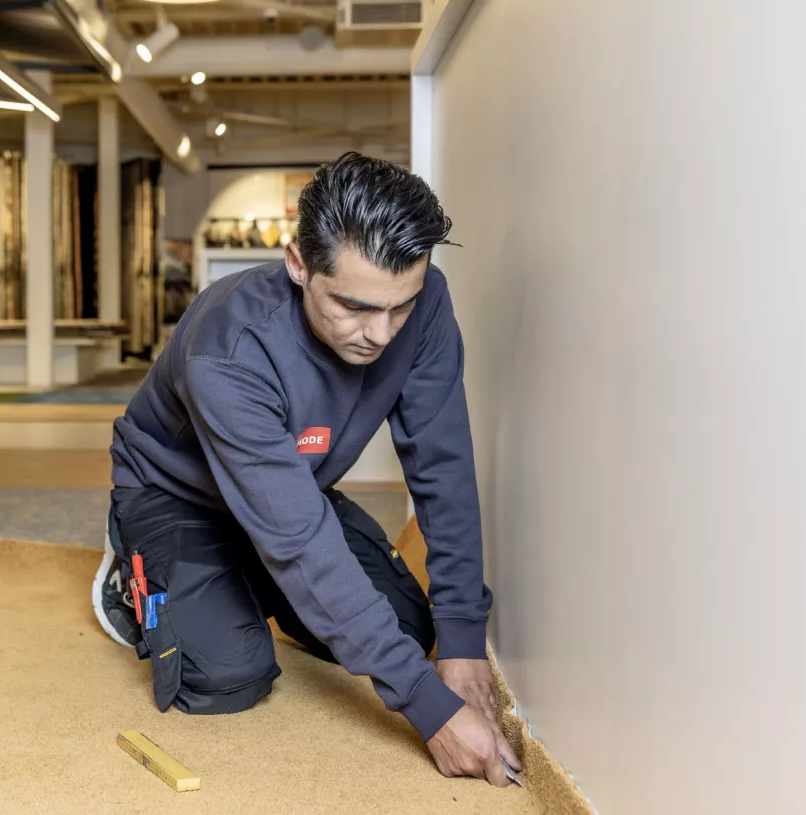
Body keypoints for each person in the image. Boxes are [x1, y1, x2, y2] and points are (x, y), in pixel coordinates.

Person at [91, 152, 521, 787]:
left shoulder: (424, 302)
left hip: (289, 490)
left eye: (398, 308)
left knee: (415, 629)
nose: (380, 334)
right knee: (225, 675)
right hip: (176, 496)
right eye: (353, 306)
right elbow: (298, 541)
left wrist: (460, 640)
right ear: (298, 264)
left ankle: (251, 580)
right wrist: (430, 709)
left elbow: (443, 464)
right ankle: (130, 575)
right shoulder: (229, 349)